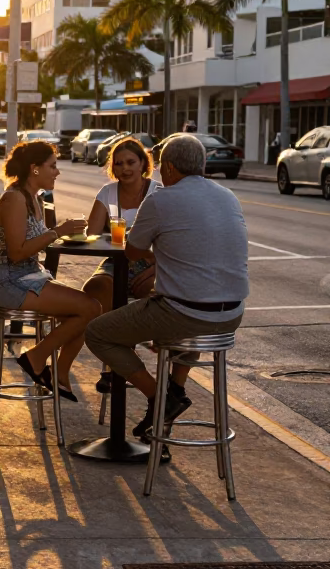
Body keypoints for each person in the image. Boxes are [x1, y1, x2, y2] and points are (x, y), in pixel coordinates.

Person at [85, 134, 249, 441]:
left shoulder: (161, 199)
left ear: (170, 168)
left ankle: (160, 398)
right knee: (182, 322)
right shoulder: (228, 196)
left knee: (97, 332)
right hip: (231, 316)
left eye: (162, 167)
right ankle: (171, 398)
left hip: (186, 313)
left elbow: (131, 251)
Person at [0, 141, 101, 400]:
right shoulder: (14, 198)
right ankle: (38, 360)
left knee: (89, 309)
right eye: (52, 166)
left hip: (30, 275)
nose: (57, 172)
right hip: (9, 281)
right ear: (34, 169)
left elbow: (36, 242)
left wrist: (63, 233)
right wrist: (58, 231)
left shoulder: (34, 198)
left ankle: (56, 369)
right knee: (90, 309)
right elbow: (17, 252)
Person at [78, 137, 161, 396]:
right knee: (95, 287)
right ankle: (118, 362)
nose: (125, 168)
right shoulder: (107, 192)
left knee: (159, 298)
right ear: (112, 167)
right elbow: (91, 234)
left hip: (151, 264)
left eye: (131, 162)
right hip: (117, 260)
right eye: (119, 163)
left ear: (142, 164)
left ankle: (121, 368)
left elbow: (171, 239)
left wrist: (151, 263)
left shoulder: (158, 193)